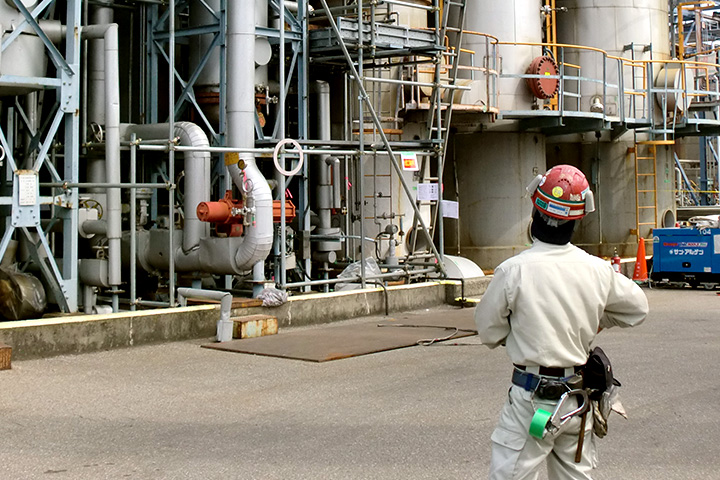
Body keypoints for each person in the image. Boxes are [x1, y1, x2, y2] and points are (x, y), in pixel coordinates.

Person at [474, 164, 649, 480]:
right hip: (576, 398)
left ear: (535, 210)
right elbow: (637, 309)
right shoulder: (595, 270)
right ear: (579, 217)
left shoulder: (513, 271)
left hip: (531, 399)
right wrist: (595, 320)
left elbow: (488, 332)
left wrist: (522, 329)